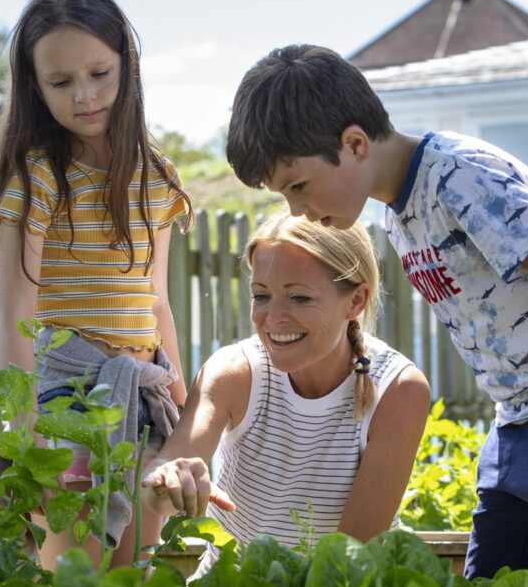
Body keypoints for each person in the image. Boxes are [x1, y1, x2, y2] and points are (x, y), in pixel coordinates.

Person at [223, 44, 528, 587]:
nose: (296, 211)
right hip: (518, 422)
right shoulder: (398, 212)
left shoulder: (461, 177)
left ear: (354, 143)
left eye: (298, 185)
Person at [0, 0, 192, 571]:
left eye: (100, 72)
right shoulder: (39, 176)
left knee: (133, 582)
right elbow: (14, 313)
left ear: (128, 62)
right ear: (34, 86)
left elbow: (158, 305)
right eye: (62, 82)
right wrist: (28, 440)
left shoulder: (157, 176)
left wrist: (184, 419)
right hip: (66, 401)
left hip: (142, 398)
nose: (86, 95)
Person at [141, 214, 429, 556]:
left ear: (356, 300)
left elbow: (351, 558)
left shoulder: (399, 389)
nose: (274, 318)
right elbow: (159, 492)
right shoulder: (235, 372)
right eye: (261, 296)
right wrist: (166, 482)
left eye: (299, 298)